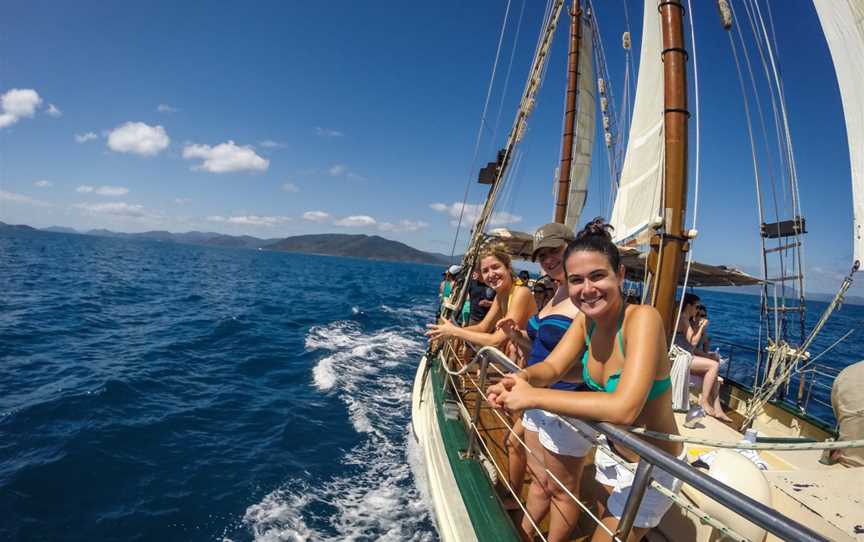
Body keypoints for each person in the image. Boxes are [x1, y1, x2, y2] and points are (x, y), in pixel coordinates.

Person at [488, 218, 684, 542]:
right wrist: (520, 377)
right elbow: (551, 368)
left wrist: (531, 397)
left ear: (620, 275)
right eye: (576, 280)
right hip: (612, 453)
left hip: (652, 469)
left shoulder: (643, 319)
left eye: (597, 276)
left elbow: (624, 408)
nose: (587, 289)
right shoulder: (585, 321)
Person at [496, 223, 589, 542]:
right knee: (539, 480)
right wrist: (517, 337)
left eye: (554, 252)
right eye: (541, 256)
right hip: (537, 398)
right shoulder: (558, 291)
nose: (547, 260)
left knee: (561, 491)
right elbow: (542, 351)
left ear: (572, 248)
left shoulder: (583, 296)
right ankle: (525, 533)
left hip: (566, 403)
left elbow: (586, 364)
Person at [426, 243, 535, 348]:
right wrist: (447, 332)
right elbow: (483, 327)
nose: (491, 274)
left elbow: (496, 341)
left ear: (508, 268)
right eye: (485, 271)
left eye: (496, 267)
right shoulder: (500, 296)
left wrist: (455, 332)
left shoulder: (521, 293)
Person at [676, 294, 731, 421]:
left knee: (715, 377)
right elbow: (693, 342)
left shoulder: (685, 319)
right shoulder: (683, 318)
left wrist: (697, 325)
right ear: (689, 305)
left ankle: (718, 409)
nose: (698, 309)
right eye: (697, 306)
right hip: (681, 357)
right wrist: (701, 327)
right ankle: (704, 402)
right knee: (714, 365)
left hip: (685, 355)